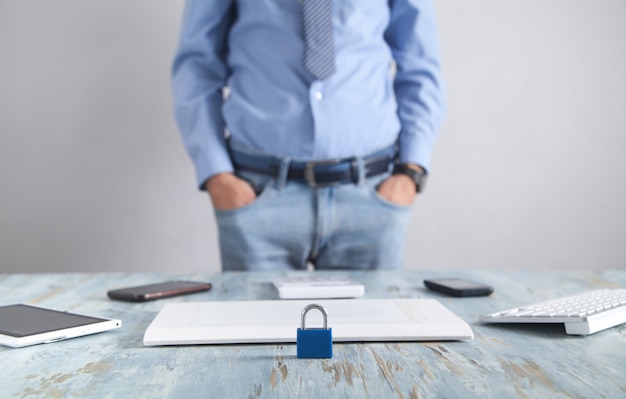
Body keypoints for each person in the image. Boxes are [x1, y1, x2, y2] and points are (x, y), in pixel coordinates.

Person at [172, 0, 446, 271]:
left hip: (372, 195)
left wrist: (411, 172)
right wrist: (216, 174)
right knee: (255, 316)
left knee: (372, 316)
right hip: (256, 195)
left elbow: (420, 64)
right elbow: (197, 64)